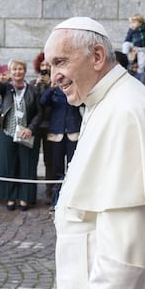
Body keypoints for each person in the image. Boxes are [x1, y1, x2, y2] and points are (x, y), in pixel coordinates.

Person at [44, 17, 145, 289]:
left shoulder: (127, 112)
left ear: (96, 56)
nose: (52, 76)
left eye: (60, 62)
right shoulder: (104, 101)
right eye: (50, 66)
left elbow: (126, 249)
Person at [0, 54, 42, 212]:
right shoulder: (6, 88)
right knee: (8, 165)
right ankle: (10, 197)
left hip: (26, 133)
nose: (17, 72)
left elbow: (40, 113)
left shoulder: (33, 89)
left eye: (20, 69)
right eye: (14, 69)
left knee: (26, 165)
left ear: (25, 71)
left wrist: (30, 128)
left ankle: (25, 198)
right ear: (10, 72)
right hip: (7, 132)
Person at [39, 78, 82, 211]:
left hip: (73, 129)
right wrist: (51, 88)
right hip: (56, 131)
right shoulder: (54, 90)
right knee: (57, 168)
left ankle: (72, 200)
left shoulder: (75, 86)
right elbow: (42, 102)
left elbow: (82, 103)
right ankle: (56, 198)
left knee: (72, 167)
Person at [30, 52, 54, 205]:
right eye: (43, 65)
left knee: (49, 161)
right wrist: (36, 86)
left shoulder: (56, 83)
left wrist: (52, 86)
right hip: (35, 126)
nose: (45, 68)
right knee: (31, 159)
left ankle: (50, 191)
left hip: (51, 125)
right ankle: (30, 192)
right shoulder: (33, 83)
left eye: (48, 65)